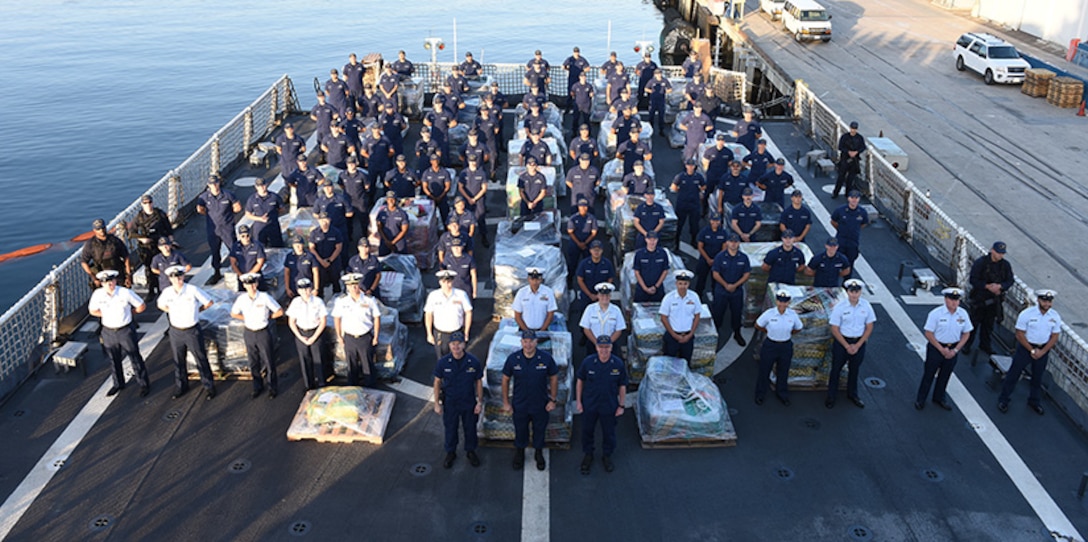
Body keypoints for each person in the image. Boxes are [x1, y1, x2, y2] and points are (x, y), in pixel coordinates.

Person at [502, 330, 559, 471]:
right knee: (520, 430)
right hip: (520, 404)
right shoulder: (513, 359)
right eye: (525, 341)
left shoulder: (545, 359)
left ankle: (538, 453)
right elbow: (505, 379)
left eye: (531, 341)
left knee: (539, 429)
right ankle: (519, 453)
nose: (528, 344)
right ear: (521, 342)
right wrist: (505, 402)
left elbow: (554, 377)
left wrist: (553, 399)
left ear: (536, 342)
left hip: (540, 403)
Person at [157, 266, 216, 400]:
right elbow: (160, 305)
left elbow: (209, 302)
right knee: (178, 360)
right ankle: (181, 386)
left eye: (179, 276)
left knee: (200, 358)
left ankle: (209, 386)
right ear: (169, 278)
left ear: (183, 276)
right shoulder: (167, 292)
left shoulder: (192, 290)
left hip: (192, 330)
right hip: (176, 331)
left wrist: (197, 310)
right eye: (174, 277)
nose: (177, 279)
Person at [998, 289, 1061, 415]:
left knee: (1037, 378)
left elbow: (1054, 336)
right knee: (1013, 375)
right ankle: (1004, 399)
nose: (1047, 304)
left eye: (1049, 302)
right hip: (1026, 348)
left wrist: (1042, 351)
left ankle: (1034, 401)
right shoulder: (1027, 314)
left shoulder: (1054, 316)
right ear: (1038, 300)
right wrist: (1032, 350)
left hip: (1042, 349)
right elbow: (1019, 334)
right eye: (1044, 301)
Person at [88, 270, 150, 397]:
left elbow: (141, 306)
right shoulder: (97, 295)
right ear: (101, 283)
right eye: (106, 282)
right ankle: (118, 384)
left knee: (135, 357)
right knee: (113, 359)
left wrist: (130, 314)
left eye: (111, 281)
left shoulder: (125, 293)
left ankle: (143, 384)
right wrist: (106, 315)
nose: (109, 284)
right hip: (108, 331)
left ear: (115, 281)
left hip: (125, 330)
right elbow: (93, 311)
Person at [576, 335, 628, 475]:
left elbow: (622, 385)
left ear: (611, 347)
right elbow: (580, 380)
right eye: (601, 347)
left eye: (607, 347)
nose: (604, 350)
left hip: (609, 406)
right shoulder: (588, 362)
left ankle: (607, 456)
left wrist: (621, 405)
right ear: (596, 347)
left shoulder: (617, 364)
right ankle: (588, 455)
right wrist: (579, 401)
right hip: (590, 405)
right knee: (587, 431)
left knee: (609, 433)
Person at [915, 288, 973, 411]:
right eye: (952, 299)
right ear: (946, 299)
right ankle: (921, 399)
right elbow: (929, 333)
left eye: (957, 300)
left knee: (945, 375)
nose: (954, 303)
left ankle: (939, 397)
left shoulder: (963, 314)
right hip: (936, 348)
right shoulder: (936, 314)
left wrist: (955, 350)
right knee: (929, 374)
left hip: (953, 348)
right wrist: (941, 349)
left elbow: (966, 333)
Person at [432, 331, 483, 469]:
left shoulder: (473, 362)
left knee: (470, 428)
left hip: (468, 402)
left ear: (464, 344)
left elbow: (478, 382)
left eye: (459, 344)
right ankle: (451, 452)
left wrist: (479, 402)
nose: (456, 347)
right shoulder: (443, 363)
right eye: (453, 344)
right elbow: (437, 382)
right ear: (449, 345)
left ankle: (470, 451)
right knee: (450, 428)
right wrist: (436, 403)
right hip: (450, 403)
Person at [231, 273, 284, 399]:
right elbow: (234, 313)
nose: (252, 286)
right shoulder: (242, 299)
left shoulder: (264, 297)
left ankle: (272, 387)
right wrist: (246, 319)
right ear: (244, 285)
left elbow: (279, 311)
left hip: (262, 332)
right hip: (249, 332)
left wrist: (268, 317)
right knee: (253, 361)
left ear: (257, 283)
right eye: (249, 284)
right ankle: (257, 386)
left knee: (268, 360)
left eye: (254, 283)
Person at [826, 279, 876, 409]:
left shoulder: (866, 306)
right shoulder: (840, 307)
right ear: (847, 292)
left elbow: (869, 327)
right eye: (851, 291)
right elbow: (834, 328)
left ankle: (853, 394)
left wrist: (858, 345)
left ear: (860, 292)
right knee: (836, 369)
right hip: (843, 342)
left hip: (858, 341)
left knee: (854, 370)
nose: (854, 294)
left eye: (857, 291)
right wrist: (847, 346)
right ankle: (831, 396)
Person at [754, 289, 803, 406]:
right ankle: (760, 394)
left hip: (785, 346)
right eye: (780, 301)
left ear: (788, 302)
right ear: (776, 301)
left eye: (785, 302)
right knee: (764, 370)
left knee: (783, 371)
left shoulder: (792, 315)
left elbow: (798, 328)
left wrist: (787, 334)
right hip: (770, 345)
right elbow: (758, 325)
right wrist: (769, 331)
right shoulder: (769, 314)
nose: (782, 304)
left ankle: (782, 394)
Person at [332, 273, 381, 387]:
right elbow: (337, 318)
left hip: (364, 337)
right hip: (349, 337)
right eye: (350, 286)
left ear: (359, 285)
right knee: (351, 365)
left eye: (355, 285)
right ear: (347, 287)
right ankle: (353, 389)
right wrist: (339, 336)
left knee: (367, 366)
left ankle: (370, 390)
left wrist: (376, 336)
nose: (353, 288)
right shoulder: (342, 301)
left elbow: (377, 318)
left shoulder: (369, 300)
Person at [966, 241, 1014, 355]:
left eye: (1002, 253)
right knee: (973, 324)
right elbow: (973, 279)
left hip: (994, 301)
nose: (1000, 256)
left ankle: (985, 345)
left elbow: (1010, 280)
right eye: (998, 252)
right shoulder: (981, 263)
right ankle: (967, 345)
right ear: (992, 250)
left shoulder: (1005, 265)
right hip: (980, 299)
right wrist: (987, 286)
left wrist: (1000, 287)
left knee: (988, 326)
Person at [286, 278, 328, 390]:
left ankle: (321, 384)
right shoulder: (295, 302)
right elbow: (291, 322)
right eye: (302, 290)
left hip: (316, 332)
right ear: (298, 291)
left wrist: (314, 337)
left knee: (318, 359)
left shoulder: (318, 301)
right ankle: (308, 385)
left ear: (311, 289)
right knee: (305, 360)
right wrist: (300, 337)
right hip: (301, 333)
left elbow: (323, 321)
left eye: (307, 289)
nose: (305, 292)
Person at [130, 195, 173, 298]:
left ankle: (161, 289)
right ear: (142, 204)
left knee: (162, 266)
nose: (148, 205)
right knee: (149, 268)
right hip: (147, 247)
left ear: (152, 203)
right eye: (145, 203)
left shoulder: (160, 214)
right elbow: (131, 233)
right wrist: (142, 238)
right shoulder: (139, 218)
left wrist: (171, 240)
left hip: (160, 244)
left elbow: (168, 228)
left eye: (149, 202)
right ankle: (151, 290)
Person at [712, 233, 750, 346]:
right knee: (718, 313)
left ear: (738, 243)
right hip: (721, 290)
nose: (733, 244)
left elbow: (746, 274)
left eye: (736, 242)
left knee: (736, 313)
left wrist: (735, 285)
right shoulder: (720, 257)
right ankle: (715, 334)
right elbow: (715, 273)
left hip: (737, 291)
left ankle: (737, 333)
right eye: (731, 242)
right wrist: (726, 285)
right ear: (727, 243)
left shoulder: (744, 258)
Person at [425, 270, 474, 359]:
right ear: (440, 282)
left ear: (452, 281)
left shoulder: (461, 294)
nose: (447, 285)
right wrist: (429, 333)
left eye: (449, 282)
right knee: (441, 360)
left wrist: (466, 332)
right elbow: (428, 314)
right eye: (444, 282)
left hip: (457, 333)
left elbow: (468, 312)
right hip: (440, 334)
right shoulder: (433, 295)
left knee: (458, 358)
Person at [659, 270, 701, 363]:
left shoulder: (694, 297)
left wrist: (690, 335)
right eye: (680, 283)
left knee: (685, 363)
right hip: (672, 337)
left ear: (689, 284)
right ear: (676, 284)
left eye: (685, 283)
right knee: (669, 363)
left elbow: (697, 316)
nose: (682, 286)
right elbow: (663, 318)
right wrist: (674, 335)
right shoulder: (669, 298)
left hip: (688, 336)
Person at [81, 218, 132, 289]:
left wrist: (128, 275)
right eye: (98, 229)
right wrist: (94, 278)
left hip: (117, 273)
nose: (101, 230)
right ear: (94, 230)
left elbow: (126, 256)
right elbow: (84, 262)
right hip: (101, 275)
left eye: (103, 228)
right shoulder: (90, 244)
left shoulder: (115, 241)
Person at [579, 282, 625, 351]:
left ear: (610, 296)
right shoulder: (590, 309)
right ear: (598, 296)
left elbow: (619, 330)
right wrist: (596, 343)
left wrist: (607, 344)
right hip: (593, 343)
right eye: (602, 295)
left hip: (610, 345)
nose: (605, 298)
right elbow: (586, 328)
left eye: (607, 295)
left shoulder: (616, 310)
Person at [670, 158, 706, 247]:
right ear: (686, 166)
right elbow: (673, 187)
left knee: (694, 225)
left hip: (694, 204)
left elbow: (704, 186)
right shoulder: (681, 176)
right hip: (682, 203)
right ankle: (677, 241)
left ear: (694, 166)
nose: (690, 167)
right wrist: (681, 191)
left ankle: (693, 240)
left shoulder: (698, 176)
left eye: (692, 165)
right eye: (689, 165)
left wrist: (699, 191)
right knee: (679, 224)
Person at [830, 190, 870, 268]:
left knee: (850, 263)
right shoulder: (840, 210)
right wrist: (841, 229)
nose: (854, 200)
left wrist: (854, 229)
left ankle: (847, 278)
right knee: (837, 261)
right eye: (852, 197)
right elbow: (833, 221)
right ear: (848, 198)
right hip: (841, 240)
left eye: (856, 198)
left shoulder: (862, 212)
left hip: (853, 241)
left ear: (859, 199)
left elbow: (863, 224)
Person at [457, 156, 490, 247]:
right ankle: (465, 239)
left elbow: (484, 188)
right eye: (471, 161)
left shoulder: (481, 173)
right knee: (465, 220)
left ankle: (483, 236)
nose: (472, 163)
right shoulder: (464, 173)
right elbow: (460, 187)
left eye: (474, 161)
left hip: (478, 200)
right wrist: (468, 198)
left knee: (481, 218)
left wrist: (474, 199)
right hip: (467, 200)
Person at [694, 212, 729, 296]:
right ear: (710, 221)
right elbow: (700, 247)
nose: (715, 223)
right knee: (701, 280)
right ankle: (698, 297)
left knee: (716, 281)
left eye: (717, 221)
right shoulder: (704, 231)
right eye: (713, 220)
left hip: (717, 260)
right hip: (705, 259)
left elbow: (724, 248)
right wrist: (708, 259)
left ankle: (715, 299)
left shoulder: (723, 232)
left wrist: (716, 259)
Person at [512, 267, 558, 332]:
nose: (535, 282)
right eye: (532, 279)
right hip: (525, 330)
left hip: (543, 330)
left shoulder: (548, 292)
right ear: (528, 279)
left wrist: (541, 331)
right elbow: (517, 315)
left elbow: (550, 314)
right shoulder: (522, 292)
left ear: (541, 279)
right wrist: (527, 331)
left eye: (537, 279)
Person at [244, 178, 285, 248]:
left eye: (263, 185)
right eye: (259, 186)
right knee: (259, 248)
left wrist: (273, 215)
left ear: (266, 185)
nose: (262, 187)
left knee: (277, 247)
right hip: (259, 227)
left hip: (273, 226)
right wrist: (260, 219)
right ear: (256, 187)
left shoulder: (274, 197)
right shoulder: (252, 199)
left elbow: (282, 209)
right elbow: (248, 214)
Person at [309, 212, 344, 295]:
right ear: (318, 221)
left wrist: (329, 260)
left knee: (336, 284)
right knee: (320, 285)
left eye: (326, 220)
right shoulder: (314, 233)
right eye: (322, 220)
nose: (324, 222)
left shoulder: (336, 232)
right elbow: (311, 248)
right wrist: (321, 261)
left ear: (329, 220)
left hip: (333, 262)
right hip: (319, 262)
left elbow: (338, 248)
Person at [574, 240, 616, 310]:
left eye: (598, 250)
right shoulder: (584, 263)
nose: (596, 252)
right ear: (590, 251)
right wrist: (590, 295)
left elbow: (610, 278)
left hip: (602, 296)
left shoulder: (607, 263)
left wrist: (601, 294)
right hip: (586, 296)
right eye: (594, 250)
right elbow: (580, 280)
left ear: (602, 251)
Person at [565, 197, 599, 279]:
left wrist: (585, 243)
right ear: (578, 207)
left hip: (587, 243)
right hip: (575, 243)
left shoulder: (592, 218)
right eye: (581, 206)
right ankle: (570, 281)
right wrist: (579, 243)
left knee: (589, 264)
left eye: (585, 206)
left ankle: (588, 280)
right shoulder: (573, 218)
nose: (583, 208)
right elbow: (570, 232)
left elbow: (594, 232)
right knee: (572, 264)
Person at [311, 177, 352, 241]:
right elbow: (315, 214)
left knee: (343, 246)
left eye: (329, 186)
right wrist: (323, 219)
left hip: (340, 227)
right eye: (325, 187)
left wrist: (339, 217)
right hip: (327, 229)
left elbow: (349, 213)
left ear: (332, 187)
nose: (327, 189)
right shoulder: (319, 200)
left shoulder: (341, 199)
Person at [633, 231, 669, 303]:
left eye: (654, 240)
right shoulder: (639, 254)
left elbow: (665, 271)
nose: (652, 242)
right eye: (650, 239)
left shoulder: (663, 253)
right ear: (646, 239)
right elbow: (637, 272)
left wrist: (656, 286)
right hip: (641, 290)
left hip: (658, 290)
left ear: (657, 240)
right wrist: (645, 288)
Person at [833, 121, 865, 199]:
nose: (853, 130)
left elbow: (863, 147)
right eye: (852, 128)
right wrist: (848, 152)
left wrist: (856, 152)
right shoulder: (845, 137)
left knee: (850, 179)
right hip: (845, 159)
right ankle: (836, 193)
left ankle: (848, 194)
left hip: (854, 161)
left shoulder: (860, 138)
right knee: (841, 177)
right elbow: (840, 147)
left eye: (854, 129)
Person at [229, 224, 266, 291]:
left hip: (255, 276)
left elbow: (260, 262)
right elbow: (233, 262)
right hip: (242, 277)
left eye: (247, 235)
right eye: (243, 236)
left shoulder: (257, 246)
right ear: (239, 236)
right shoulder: (235, 246)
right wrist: (241, 275)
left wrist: (249, 275)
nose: (245, 238)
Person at [421, 154, 453, 225]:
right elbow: (424, 187)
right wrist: (432, 197)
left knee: (446, 218)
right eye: (433, 160)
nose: (435, 162)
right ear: (430, 161)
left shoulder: (445, 172)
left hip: (443, 198)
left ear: (438, 161)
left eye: (436, 160)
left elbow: (447, 186)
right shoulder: (426, 173)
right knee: (430, 219)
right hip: (430, 199)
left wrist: (440, 197)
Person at [375, 191, 409, 256]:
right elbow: (379, 228)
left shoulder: (402, 214)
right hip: (385, 240)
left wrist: (393, 242)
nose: (391, 201)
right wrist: (387, 241)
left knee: (401, 261)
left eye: (393, 199)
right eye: (389, 199)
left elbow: (404, 230)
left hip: (399, 242)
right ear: (387, 200)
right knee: (383, 261)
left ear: (396, 200)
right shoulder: (382, 213)